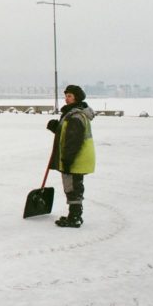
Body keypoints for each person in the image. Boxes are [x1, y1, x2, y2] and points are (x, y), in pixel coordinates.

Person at [46, 85, 96, 228]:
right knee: (75, 186)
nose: (66, 98)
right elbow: (67, 135)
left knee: (72, 187)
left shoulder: (75, 116)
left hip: (75, 158)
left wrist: (67, 160)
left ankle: (74, 217)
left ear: (76, 98)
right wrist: (56, 127)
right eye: (66, 95)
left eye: (69, 96)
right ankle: (75, 215)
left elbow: (73, 141)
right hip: (78, 158)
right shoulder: (73, 114)